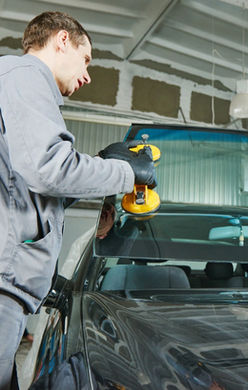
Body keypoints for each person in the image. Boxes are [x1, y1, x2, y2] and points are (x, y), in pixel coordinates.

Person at [0, 11, 156, 389]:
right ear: (62, 40)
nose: (87, 75)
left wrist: (102, 163)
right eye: (86, 59)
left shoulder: (20, 86)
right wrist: (127, 173)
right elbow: (48, 168)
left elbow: (29, 190)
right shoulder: (23, 76)